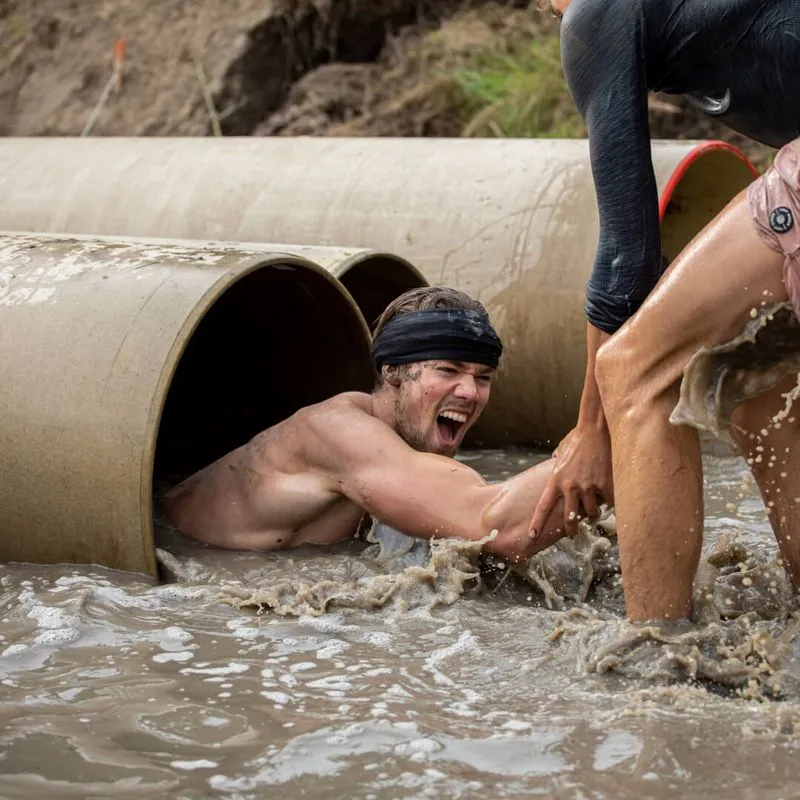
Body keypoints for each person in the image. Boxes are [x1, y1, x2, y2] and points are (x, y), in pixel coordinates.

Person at [529, 0, 800, 621]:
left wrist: (593, 431)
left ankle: (655, 660)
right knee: (754, 379)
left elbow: (627, 263)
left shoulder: (596, 14)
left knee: (632, 369)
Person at [161, 286, 566, 565]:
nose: (470, 392)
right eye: (448, 370)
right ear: (391, 370)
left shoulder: (401, 450)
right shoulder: (339, 432)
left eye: (483, 377)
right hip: (166, 548)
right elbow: (493, 527)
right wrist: (603, 445)